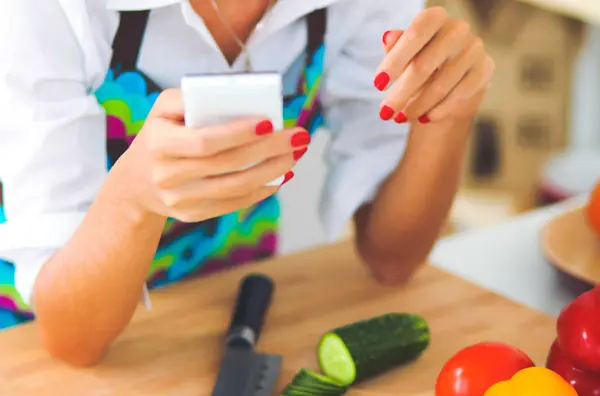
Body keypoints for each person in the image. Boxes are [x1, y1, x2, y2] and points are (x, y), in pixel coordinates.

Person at [0, 0, 493, 366]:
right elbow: (72, 339)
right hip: (35, 338)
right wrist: (133, 198)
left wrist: (446, 113)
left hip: (230, 313)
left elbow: (392, 257)